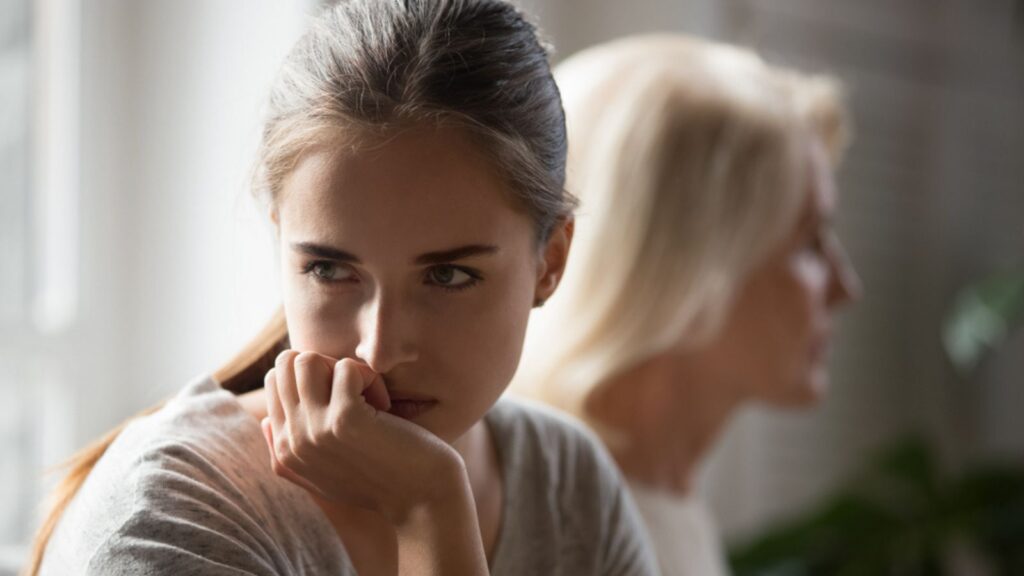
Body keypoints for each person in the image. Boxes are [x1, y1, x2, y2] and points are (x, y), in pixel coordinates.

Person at [26, 2, 660, 575]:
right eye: (330, 269)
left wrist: (430, 506)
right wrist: (425, 506)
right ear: (282, 244)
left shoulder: (565, 483)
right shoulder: (170, 520)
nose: (378, 352)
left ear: (549, 261)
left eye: (448, 276)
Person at [512, 34, 863, 576]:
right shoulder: (559, 528)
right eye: (810, 241)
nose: (845, 288)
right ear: (687, 267)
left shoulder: (661, 504)